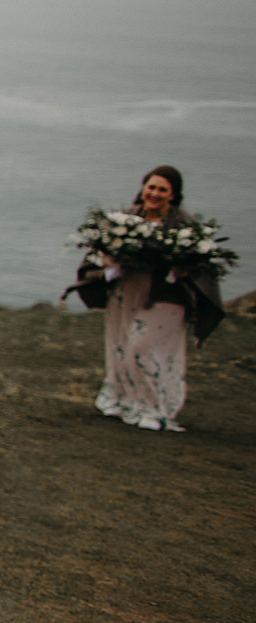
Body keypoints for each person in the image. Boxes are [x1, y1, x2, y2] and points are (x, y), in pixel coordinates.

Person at [70, 165, 225, 432]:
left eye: (162, 189)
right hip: (127, 291)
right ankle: (121, 401)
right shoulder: (125, 220)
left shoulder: (185, 227)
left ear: (173, 195)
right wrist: (110, 261)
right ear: (143, 187)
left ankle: (152, 409)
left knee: (141, 349)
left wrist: (184, 269)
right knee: (120, 347)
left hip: (166, 296)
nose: (154, 193)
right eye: (151, 187)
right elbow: (98, 255)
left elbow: (203, 268)